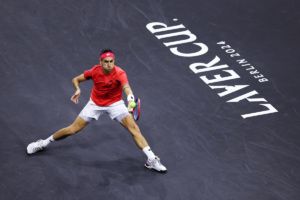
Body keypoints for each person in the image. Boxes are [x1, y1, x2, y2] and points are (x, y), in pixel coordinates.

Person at [26, 49, 167, 173]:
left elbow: (126, 87)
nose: (109, 64)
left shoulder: (120, 73)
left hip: (115, 104)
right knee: (72, 130)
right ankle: (43, 143)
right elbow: (76, 79)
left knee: (134, 129)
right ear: (100, 62)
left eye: (111, 61)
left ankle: (151, 159)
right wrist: (78, 89)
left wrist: (130, 99)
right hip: (95, 104)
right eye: (106, 61)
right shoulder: (94, 71)